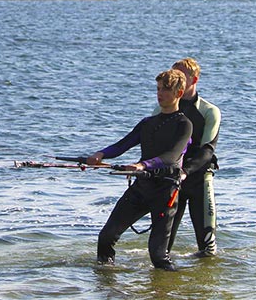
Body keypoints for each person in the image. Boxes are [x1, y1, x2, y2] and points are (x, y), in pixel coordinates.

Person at [86, 69, 192, 271]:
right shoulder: (147, 123)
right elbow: (121, 146)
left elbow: (171, 156)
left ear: (179, 93)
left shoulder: (184, 124)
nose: (160, 94)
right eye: (158, 89)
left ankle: (172, 288)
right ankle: (105, 283)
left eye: (165, 90)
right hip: (141, 187)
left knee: (158, 255)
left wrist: (143, 165)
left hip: (166, 191)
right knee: (106, 237)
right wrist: (100, 154)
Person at [154, 57, 221, 257]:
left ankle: (204, 285)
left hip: (199, 179)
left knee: (207, 248)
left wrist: (186, 171)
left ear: (194, 80)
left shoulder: (209, 112)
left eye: (182, 76)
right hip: (171, 179)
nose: (177, 79)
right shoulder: (161, 110)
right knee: (164, 244)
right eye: (174, 75)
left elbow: (208, 150)